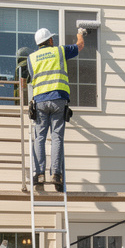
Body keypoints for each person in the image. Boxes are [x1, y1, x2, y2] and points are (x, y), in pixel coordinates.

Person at [20, 26, 86, 193]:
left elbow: (27, 80)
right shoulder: (59, 51)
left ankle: (39, 174)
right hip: (58, 100)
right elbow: (79, 46)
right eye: (52, 38)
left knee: (40, 138)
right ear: (49, 40)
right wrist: (80, 33)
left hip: (40, 101)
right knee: (56, 137)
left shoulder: (31, 58)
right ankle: (56, 174)